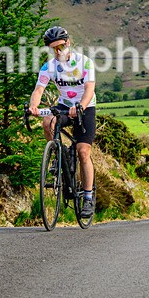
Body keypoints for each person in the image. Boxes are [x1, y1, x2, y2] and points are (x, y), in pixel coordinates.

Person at [29, 26, 97, 217]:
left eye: (60, 46)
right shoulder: (49, 66)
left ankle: (88, 198)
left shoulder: (85, 63)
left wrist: (81, 106)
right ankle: (58, 153)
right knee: (47, 122)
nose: (57, 51)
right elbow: (39, 90)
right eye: (53, 49)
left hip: (86, 107)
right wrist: (33, 107)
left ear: (68, 43)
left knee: (83, 151)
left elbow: (89, 89)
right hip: (64, 105)